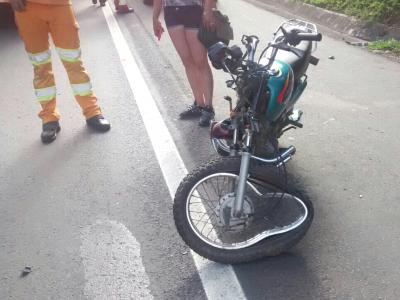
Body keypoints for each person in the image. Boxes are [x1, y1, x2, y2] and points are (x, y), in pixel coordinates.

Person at [9, 0, 111, 144]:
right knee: (41, 67)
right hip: (27, 8)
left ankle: (92, 112)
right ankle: (49, 118)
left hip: (60, 5)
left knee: (74, 62)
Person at [153, 0, 216, 127]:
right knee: (187, 61)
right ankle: (199, 104)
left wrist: (208, 10)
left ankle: (208, 108)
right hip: (171, 12)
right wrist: (155, 18)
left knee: (201, 61)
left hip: (194, 9)